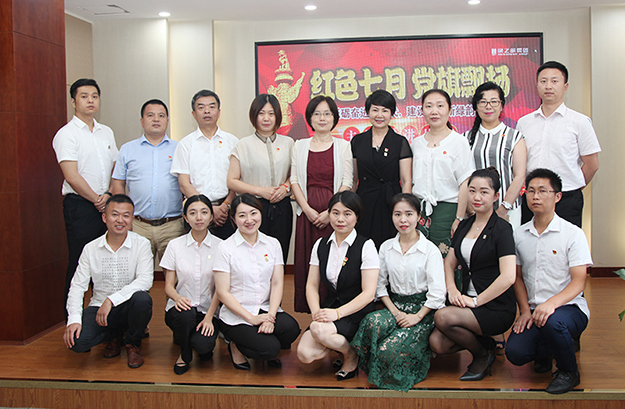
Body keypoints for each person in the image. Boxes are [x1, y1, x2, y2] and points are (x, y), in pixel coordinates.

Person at [506, 168, 592, 394]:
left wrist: (551, 304)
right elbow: (517, 277)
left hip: (568, 308)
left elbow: (579, 282)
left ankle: (569, 372)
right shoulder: (519, 234)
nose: (535, 196)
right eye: (531, 191)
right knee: (515, 353)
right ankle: (545, 351)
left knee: (554, 323)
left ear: (557, 196)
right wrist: (525, 311)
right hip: (534, 310)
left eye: (543, 191)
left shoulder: (573, 234)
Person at [351, 193, 446, 391]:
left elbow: (438, 293)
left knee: (388, 350)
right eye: (398, 214)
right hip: (395, 307)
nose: (403, 220)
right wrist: (395, 312)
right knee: (371, 323)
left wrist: (416, 317)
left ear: (419, 217)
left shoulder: (430, 250)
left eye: (409, 214)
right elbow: (379, 286)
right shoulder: (386, 247)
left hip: (422, 312)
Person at [429, 168, 516, 381]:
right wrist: (452, 290)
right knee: (437, 343)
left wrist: (476, 301)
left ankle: (481, 355)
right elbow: (449, 263)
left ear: (496, 196)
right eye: (472, 191)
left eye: (484, 192)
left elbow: (508, 277)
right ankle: (486, 346)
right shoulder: (464, 225)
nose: (477, 197)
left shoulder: (502, 229)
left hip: (494, 306)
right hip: (466, 302)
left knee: (443, 317)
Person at [63, 194, 153, 369]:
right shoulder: (90, 248)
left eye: (126, 215)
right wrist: (73, 319)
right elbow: (77, 287)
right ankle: (114, 335)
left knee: (143, 299)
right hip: (99, 309)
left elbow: (145, 280)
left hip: (128, 306)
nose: (120, 220)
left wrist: (111, 300)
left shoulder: (141, 244)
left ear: (132, 219)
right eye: (114, 214)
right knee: (76, 342)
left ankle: (132, 343)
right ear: (104, 217)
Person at [297, 191, 379, 381]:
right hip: (329, 309)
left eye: (347, 214)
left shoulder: (366, 246)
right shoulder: (321, 244)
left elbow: (369, 294)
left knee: (319, 330)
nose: (340, 219)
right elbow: (311, 285)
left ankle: (351, 355)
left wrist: (337, 314)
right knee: (304, 354)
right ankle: (343, 348)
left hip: (356, 312)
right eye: (335, 213)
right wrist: (316, 312)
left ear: (357, 217)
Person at [214, 194, 301, 370]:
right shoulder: (225, 248)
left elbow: (277, 283)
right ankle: (235, 345)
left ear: (260, 213)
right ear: (233, 219)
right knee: (270, 349)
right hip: (237, 315)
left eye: (253, 213)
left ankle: (259, 337)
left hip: (264, 308)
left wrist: (271, 317)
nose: (249, 220)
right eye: (242, 215)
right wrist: (252, 319)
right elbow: (222, 293)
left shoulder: (272, 244)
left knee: (291, 329)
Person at [53, 78, 118, 313]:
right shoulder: (66, 134)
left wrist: (108, 195)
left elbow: (115, 169)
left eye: (94, 96)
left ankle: (106, 319)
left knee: (108, 263)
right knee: (80, 264)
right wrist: (97, 200)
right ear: (73, 102)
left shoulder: (106, 132)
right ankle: (73, 319)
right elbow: (72, 176)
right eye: (84, 96)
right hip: (81, 205)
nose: (90, 100)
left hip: (106, 203)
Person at [517, 61, 600, 228]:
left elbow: (592, 164)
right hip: (532, 197)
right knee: (529, 241)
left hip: (566, 198)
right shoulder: (524, 122)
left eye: (554, 81)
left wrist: (572, 186)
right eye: (543, 81)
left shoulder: (580, 122)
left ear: (565, 86)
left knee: (566, 242)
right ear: (537, 85)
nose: (548, 86)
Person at [291, 95, 353, 313]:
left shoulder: (343, 146)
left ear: (334, 118)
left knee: (332, 260)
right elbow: (294, 180)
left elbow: (347, 182)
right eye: (317, 114)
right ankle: (312, 311)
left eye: (327, 113)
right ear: (310, 118)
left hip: (334, 214)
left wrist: (330, 212)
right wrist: (307, 209)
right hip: (306, 213)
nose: (322, 118)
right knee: (308, 261)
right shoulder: (299, 145)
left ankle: (332, 310)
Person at [112, 99, 184, 266]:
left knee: (175, 275)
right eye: (150, 115)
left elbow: (186, 183)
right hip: (138, 225)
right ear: (142, 121)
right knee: (137, 273)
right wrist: (124, 217)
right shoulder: (127, 149)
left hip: (172, 226)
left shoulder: (179, 148)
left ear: (167, 121)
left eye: (161, 116)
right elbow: (118, 183)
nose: (156, 119)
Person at [227, 94, 293, 263]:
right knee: (253, 256)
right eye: (261, 113)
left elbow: (295, 175)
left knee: (279, 254)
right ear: (254, 115)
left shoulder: (288, 143)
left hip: (282, 207)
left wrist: (285, 187)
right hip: (253, 208)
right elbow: (232, 181)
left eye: (271, 113)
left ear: (278, 116)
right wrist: (260, 191)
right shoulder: (243, 145)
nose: (266, 118)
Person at [161, 195, 222, 375]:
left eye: (204, 212)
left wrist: (209, 318)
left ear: (211, 217)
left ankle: (200, 346)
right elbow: (168, 286)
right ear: (185, 218)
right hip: (180, 310)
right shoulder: (175, 245)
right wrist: (178, 298)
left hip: (207, 310)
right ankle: (184, 353)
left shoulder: (222, 246)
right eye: (193, 213)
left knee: (203, 346)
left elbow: (221, 289)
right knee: (186, 315)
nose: (199, 218)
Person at [411, 89, 474, 258]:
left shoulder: (459, 142)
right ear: (422, 110)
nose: (434, 111)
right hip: (420, 212)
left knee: (446, 259)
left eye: (440, 106)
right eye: (429, 106)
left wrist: (459, 218)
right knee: (419, 258)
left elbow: (465, 183)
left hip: (448, 211)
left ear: (449, 109)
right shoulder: (416, 143)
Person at [171, 90, 238, 239]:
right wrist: (207, 209)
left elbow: (237, 179)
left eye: (211, 107)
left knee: (228, 252)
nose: (207, 111)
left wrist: (225, 205)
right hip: (196, 213)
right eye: (201, 107)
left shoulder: (232, 142)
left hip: (226, 211)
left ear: (219, 112)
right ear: (194, 114)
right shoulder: (185, 144)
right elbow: (184, 184)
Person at [351, 90, 412, 249]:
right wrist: (349, 206)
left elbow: (406, 180)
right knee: (363, 245)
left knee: (390, 245)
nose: (379, 115)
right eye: (375, 110)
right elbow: (354, 179)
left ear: (392, 114)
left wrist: (405, 208)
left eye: (385, 110)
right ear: (368, 112)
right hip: (364, 200)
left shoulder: (400, 142)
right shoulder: (358, 141)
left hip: (391, 201)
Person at [465, 82, 527, 228]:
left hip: (508, 210)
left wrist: (504, 209)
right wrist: (471, 210)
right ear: (476, 106)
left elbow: (519, 176)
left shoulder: (515, 137)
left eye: (494, 102)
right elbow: (464, 178)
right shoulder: (465, 138)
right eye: (483, 102)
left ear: (501, 105)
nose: (488, 106)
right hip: (474, 210)